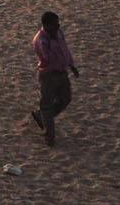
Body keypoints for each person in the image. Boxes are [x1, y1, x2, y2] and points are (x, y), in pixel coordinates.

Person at [29, 11, 80, 146]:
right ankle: (49, 136)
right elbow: (48, 58)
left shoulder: (58, 33)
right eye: (54, 25)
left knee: (65, 99)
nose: (58, 27)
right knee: (46, 104)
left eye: (58, 24)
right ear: (46, 26)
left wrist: (71, 65)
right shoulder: (41, 40)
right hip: (49, 75)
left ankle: (42, 117)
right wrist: (52, 40)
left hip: (62, 72)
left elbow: (65, 49)